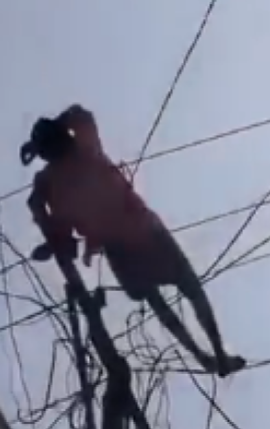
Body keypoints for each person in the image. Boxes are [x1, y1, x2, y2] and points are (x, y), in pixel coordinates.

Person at [21, 104, 246, 377]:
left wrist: (55, 239)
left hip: (119, 246)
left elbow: (36, 204)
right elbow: (80, 113)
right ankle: (216, 354)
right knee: (189, 287)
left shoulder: (50, 179)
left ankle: (206, 357)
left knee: (158, 300)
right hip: (142, 229)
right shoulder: (84, 149)